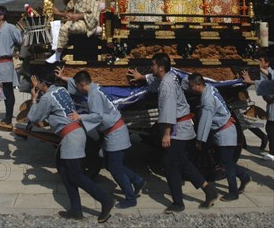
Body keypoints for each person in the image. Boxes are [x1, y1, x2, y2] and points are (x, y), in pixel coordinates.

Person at [128, 53, 217, 214]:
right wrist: (142, 77)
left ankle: (178, 202)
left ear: (161, 68)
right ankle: (208, 190)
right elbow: (155, 81)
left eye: (153, 65)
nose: (151, 67)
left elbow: (168, 111)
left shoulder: (167, 86)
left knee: (170, 164)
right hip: (181, 127)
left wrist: (166, 134)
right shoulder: (170, 76)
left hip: (177, 130)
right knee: (182, 162)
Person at [27, 70, 115, 222]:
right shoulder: (61, 89)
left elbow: (34, 117)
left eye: (38, 83)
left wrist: (34, 99)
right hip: (75, 132)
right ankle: (76, 209)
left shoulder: (47, 98)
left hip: (71, 136)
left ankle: (105, 199)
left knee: (75, 175)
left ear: (42, 84)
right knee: (63, 170)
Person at [59, 68, 145, 209]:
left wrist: (80, 117)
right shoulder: (96, 86)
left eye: (77, 86)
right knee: (113, 163)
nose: (77, 89)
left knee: (115, 168)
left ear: (81, 85)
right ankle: (137, 180)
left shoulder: (94, 96)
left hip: (115, 132)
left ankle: (130, 197)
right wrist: (64, 78)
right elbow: (77, 82)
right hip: (115, 130)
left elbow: (97, 116)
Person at [188, 73, 251, 201]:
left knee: (227, 165)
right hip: (224, 130)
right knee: (225, 161)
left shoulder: (207, 100)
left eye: (192, 86)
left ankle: (233, 192)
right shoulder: (210, 88)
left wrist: (200, 140)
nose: (191, 88)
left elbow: (205, 122)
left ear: (199, 85)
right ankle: (244, 177)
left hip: (225, 134)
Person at [46, 0, 100, 64]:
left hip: (86, 24)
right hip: (76, 21)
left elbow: (94, 14)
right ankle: (57, 51)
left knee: (64, 28)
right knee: (55, 25)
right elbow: (69, 9)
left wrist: (79, 16)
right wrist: (59, 12)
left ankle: (57, 55)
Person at [242, 60, 274, 157]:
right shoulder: (267, 72)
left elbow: (268, 82)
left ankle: (272, 153)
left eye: (261, 60)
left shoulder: (269, 73)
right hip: (271, 105)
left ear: (267, 63)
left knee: (271, 128)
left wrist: (250, 81)